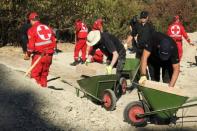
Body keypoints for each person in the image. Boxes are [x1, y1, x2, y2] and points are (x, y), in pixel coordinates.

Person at [27, 12, 56, 87]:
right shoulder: (48, 28)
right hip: (49, 56)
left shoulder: (32, 29)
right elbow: (54, 41)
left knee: (35, 75)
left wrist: (28, 54)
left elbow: (31, 47)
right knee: (44, 75)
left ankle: (38, 92)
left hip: (39, 56)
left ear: (31, 20)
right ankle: (44, 88)